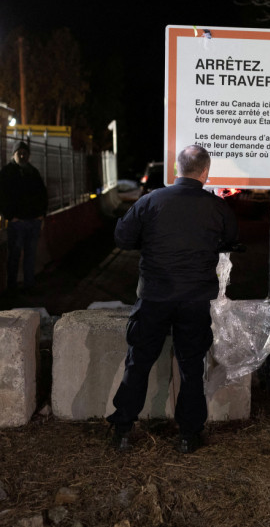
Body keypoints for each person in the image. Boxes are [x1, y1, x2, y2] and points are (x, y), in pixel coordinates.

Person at [107, 145, 239, 453]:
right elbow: (231, 240)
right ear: (205, 172)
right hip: (194, 301)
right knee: (192, 368)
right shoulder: (217, 207)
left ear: (177, 169)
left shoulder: (150, 201)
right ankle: (188, 435)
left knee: (138, 363)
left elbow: (122, 237)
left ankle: (123, 429)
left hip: (154, 297)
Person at [0, 140, 48, 292]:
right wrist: (10, 216)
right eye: (19, 152)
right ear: (13, 154)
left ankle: (29, 284)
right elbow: (1, 196)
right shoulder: (7, 172)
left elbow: (42, 194)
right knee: (14, 256)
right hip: (17, 223)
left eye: (25, 153)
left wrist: (41, 215)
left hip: (33, 221)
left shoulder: (33, 172)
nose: (22, 155)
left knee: (30, 256)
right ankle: (12, 286)